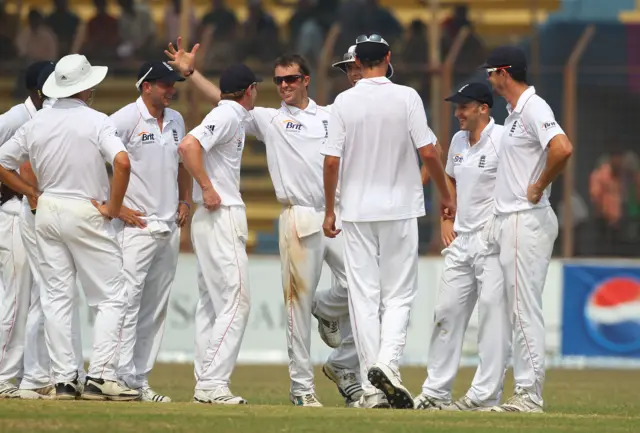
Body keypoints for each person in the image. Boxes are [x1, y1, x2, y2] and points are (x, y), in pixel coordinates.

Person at [165, 38, 363, 408]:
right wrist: (191, 73)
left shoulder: (330, 115)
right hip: (300, 214)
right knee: (296, 308)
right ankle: (302, 388)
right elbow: (225, 101)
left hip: (335, 213)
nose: (284, 86)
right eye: (278, 81)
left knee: (364, 289)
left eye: (291, 79)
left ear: (305, 80)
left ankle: (334, 328)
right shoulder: (270, 118)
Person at [321, 34, 455, 409]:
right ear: (388, 58)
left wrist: (331, 209)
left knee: (363, 297)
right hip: (399, 208)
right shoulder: (407, 96)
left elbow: (331, 161)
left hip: (357, 211)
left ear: (359, 64)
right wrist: (445, 195)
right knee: (398, 295)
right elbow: (428, 151)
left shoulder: (343, 102)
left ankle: (371, 388)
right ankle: (387, 364)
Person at [0, 54, 140, 401]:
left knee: (56, 298)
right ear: (87, 87)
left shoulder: (37, 122)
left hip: (46, 210)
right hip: (86, 209)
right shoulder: (96, 121)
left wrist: (32, 192)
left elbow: (2, 162)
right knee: (112, 296)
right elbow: (122, 161)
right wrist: (114, 206)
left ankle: (65, 380)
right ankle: (102, 377)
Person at [481, 46, 573, 413]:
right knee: (506, 308)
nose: (488, 79)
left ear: (504, 73)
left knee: (522, 309)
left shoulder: (535, 107)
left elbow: (562, 148)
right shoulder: (515, 113)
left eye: (491, 72)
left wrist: (538, 185)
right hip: (510, 220)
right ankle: (505, 390)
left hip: (525, 218)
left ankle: (529, 394)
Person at [413, 83, 510, 411]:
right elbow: (450, 180)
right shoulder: (457, 141)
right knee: (447, 314)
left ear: (484, 108)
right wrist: (446, 216)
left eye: (464, 107)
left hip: (492, 242)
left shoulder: (503, 140)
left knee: (492, 318)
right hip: (461, 241)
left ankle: (485, 396)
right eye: (456, 107)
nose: (457, 113)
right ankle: (435, 393)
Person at [109, 61, 190, 403]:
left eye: (173, 84)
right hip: (136, 225)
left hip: (167, 225)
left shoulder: (176, 119)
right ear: (147, 86)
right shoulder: (124, 118)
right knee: (126, 302)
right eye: (166, 84)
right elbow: (98, 158)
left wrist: (186, 199)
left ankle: (139, 379)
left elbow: (182, 163)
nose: (172, 89)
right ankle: (113, 375)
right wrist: (112, 205)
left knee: (155, 307)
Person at [178, 63, 258, 405]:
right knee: (236, 301)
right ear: (250, 90)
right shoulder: (227, 116)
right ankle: (212, 382)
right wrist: (208, 188)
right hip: (220, 214)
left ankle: (205, 381)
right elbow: (187, 146)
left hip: (210, 218)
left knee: (212, 305)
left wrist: (191, 74)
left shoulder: (229, 113)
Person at [0, 60, 51, 399]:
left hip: (37, 214)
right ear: (39, 89)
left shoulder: (48, 119)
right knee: (15, 297)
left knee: (37, 299)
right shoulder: (14, 119)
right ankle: (4, 377)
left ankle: (31, 375)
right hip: (12, 211)